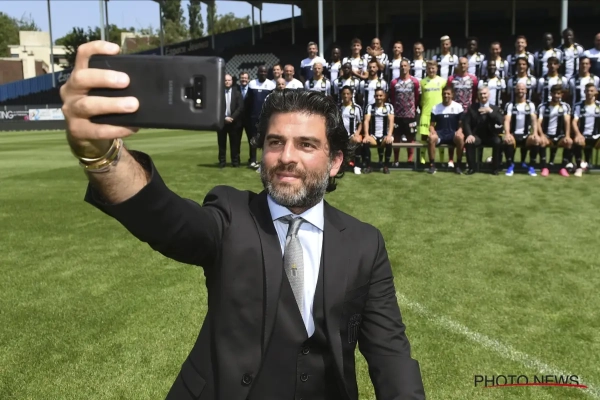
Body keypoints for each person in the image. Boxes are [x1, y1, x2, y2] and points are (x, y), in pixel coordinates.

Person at [61, 41, 426, 400]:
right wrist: (102, 155)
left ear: (335, 162)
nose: (286, 157)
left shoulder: (364, 243)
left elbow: (390, 352)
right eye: (274, 142)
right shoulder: (230, 215)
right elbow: (165, 218)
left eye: (306, 145)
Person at [462, 87, 505, 175]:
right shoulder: (472, 108)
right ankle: (471, 168)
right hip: (477, 135)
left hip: (490, 136)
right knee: (469, 142)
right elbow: (466, 123)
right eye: (481, 94)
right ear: (478, 95)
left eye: (484, 93)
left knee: (498, 142)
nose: (483, 96)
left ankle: (495, 168)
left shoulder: (495, 108)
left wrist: (490, 111)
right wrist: (469, 134)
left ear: (489, 95)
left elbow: (500, 121)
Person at [502, 82, 540, 177]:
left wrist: (535, 133)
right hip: (514, 134)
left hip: (526, 135)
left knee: (536, 140)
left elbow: (534, 120)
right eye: (518, 89)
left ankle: (531, 167)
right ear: (515, 90)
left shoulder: (530, 105)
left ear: (526, 91)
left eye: (522, 89)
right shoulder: (510, 105)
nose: (520, 91)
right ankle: (510, 166)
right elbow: (507, 120)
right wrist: (507, 133)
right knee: (508, 140)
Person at [427, 86, 465, 174]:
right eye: (444, 94)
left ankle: (458, 165)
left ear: (452, 95)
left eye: (448, 94)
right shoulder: (436, 108)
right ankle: (432, 165)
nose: (446, 95)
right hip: (440, 134)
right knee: (431, 138)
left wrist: (460, 130)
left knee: (461, 137)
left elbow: (461, 124)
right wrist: (432, 131)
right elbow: (431, 125)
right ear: (441, 95)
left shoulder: (458, 107)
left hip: (453, 134)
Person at [537, 84, 573, 177]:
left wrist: (567, 136)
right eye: (554, 93)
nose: (556, 95)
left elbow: (567, 122)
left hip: (559, 135)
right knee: (542, 142)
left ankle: (563, 168)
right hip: (547, 135)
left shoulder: (565, 106)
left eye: (558, 93)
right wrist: (542, 135)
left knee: (569, 142)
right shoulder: (543, 106)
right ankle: (544, 168)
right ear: (551, 94)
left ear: (561, 95)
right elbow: (538, 123)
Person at [389, 59, 420, 165]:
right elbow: (393, 98)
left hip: (410, 115)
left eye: (405, 65)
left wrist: (412, 109)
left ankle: (409, 160)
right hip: (397, 115)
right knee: (396, 138)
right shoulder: (394, 82)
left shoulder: (415, 82)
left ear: (409, 67)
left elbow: (417, 97)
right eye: (401, 66)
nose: (403, 68)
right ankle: (396, 160)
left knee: (410, 138)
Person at [245, 66, 276, 169]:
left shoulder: (271, 85)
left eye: (264, 72)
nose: (262, 73)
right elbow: (248, 102)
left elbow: (272, 102)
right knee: (253, 139)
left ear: (267, 73)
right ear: (257, 73)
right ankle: (252, 160)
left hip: (266, 117)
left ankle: (265, 160)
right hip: (253, 117)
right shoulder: (252, 84)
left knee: (266, 139)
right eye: (261, 71)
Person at [418, 60, 447, 164]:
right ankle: (422, 160)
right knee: (424, 137)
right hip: (426, 113)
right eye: (429, 68)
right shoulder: (422, 82)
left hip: (439, 114)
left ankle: (442, 160)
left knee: (440, 136)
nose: (431, 70)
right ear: (426, 69)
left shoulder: (443, 81)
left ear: (437, 69)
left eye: (433, 68)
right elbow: (421, 99)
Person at [362, 88, 395, 174]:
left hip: (385, 135)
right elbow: (366, 121)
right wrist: (366, 135)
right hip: (373, 136)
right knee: (365, 142)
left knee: (389, 142)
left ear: (384, 96)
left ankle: (386, 166)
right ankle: (368, 166)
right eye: (377, 96)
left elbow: (391, 122)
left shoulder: (389, 107)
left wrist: (389, 135)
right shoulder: (370, 107)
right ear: (374, 96)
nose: (378, 97)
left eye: (380, 95)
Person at [571, 83, 600, 176]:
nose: (589, 93)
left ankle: (587, 164)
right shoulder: (578, 106)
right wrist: (578, 134)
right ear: (584, 92)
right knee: (577, 141)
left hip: (596, 136)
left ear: (596, 92)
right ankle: (579, 167)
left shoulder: (599, 105)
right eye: (587, 91)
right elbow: (574, 122)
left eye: (591, 91)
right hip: (583, 135)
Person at [217, 74, 244, 168]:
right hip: (222, 122)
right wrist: (224, 117)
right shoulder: (218, 93)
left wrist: (232, 118)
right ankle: (222, 162)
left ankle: (235, 162)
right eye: (225, 80)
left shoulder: (237, 93)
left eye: (229, 80)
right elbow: (216, 107)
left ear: (232, 81)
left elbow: (240, 107)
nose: (227, 82)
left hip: (234, 123)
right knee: (221, 143)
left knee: (235, 144)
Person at [339, 86, 364, 174]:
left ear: (351, 95)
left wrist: (357, 133)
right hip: (340, 135)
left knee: (357, 140)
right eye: (344, 94)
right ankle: (339, 166)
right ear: (341, 95)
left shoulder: (357, 108)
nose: (345, 96)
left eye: (348, 94)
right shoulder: (338, 107)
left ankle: (357, 165)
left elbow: (360, 123)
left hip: (352, 134)